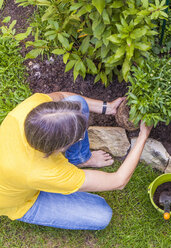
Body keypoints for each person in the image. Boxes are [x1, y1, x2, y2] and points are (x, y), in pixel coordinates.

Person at [0, 91, 152, 230]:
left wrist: (108, 107)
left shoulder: (30, 109)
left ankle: (81, 159)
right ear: (58, 148)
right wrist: (143, 137)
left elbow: (63, 96)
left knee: (77, 103)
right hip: (20, 201)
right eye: (77, 138)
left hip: (17, 173)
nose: (81, 137)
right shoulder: (46, 172)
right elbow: (118, 181)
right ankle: (38, 198)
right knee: (101, 215)